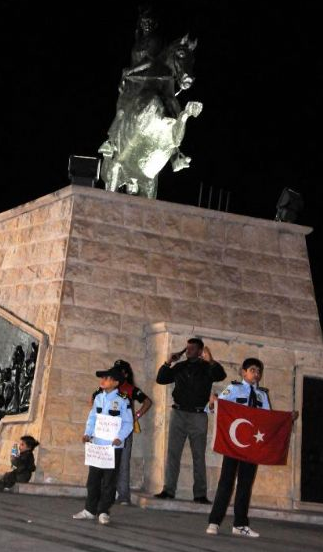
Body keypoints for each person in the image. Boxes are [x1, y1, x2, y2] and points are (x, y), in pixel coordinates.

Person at [206, 357, 299, 538]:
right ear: (244, 372)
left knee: (245, 485)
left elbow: (267, 420)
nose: (256, 374)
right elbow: (218, 407)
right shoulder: (233, 388)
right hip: (233, 444)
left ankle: (240, 524)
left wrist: (287, 418)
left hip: (252, 448)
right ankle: (214, 521)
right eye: (253, 370)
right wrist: (212, 403)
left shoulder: (262, 395)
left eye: (259, 371)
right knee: (225, 483)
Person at [154, 338, 226, 503]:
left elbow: (221, 375)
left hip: (198, 416)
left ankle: (200, 494)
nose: (188, 351)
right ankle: (168, 490)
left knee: (199, 456)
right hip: (178, 413)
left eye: (192, 348)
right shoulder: (180, 366)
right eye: (187, 348)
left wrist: (211, 360)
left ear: (200, 351)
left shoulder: (207, 368)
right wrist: (167, 362)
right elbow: (161, 379)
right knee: (173, 454)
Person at [73, 367, 133, 525]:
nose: (103, 381)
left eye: (106, 378)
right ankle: (89, 510)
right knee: (93, 480)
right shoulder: (99, 398)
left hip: (112, 448)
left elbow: (128, 423)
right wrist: (87, 433)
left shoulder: (123, 399)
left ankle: (104, 511)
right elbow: (92, 418)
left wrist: (120, 438)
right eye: (103, 378)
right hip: (97, 446)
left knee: (109, 481)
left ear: (116, 382)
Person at [91, 359, 152, 505]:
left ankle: (123, 496)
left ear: (124, 374)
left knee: (123, 463)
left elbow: (147, 402)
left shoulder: (128, 390)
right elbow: (94, 400)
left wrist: (135, 416)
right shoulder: (104, 390)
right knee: (102, 463)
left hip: (122, 432)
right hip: (104, 432)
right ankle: (103, 495)